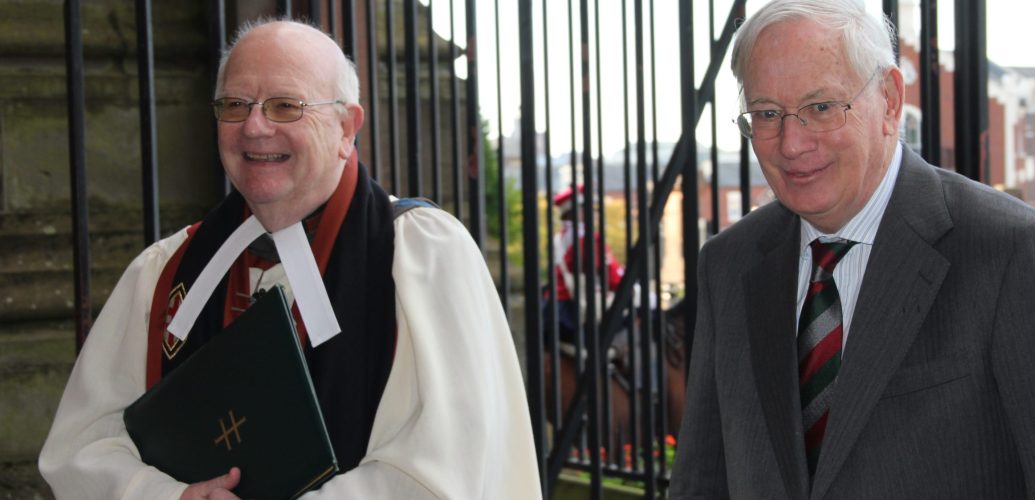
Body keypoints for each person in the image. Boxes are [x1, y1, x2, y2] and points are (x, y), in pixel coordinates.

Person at [38, 19, 540, 499]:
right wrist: (168, 496)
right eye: (235, 104)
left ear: (347, 127)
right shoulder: (165, 270)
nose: (254, 127)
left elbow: (441, 474)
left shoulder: (421, 257)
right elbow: (82, 446)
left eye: (285, 106)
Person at [669, 0, 1035, 498]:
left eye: (821, 108)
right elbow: (702, 482)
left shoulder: (1013, 253)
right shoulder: (728, 264)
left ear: (890, 100)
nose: (791, 142)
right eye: (767, 113)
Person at [543, 184, 626, 345]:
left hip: (554, 308)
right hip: (573, 311)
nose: (594, 213)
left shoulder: (559, 238)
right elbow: (612, 277)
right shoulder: (587, 238)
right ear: (579, 211)